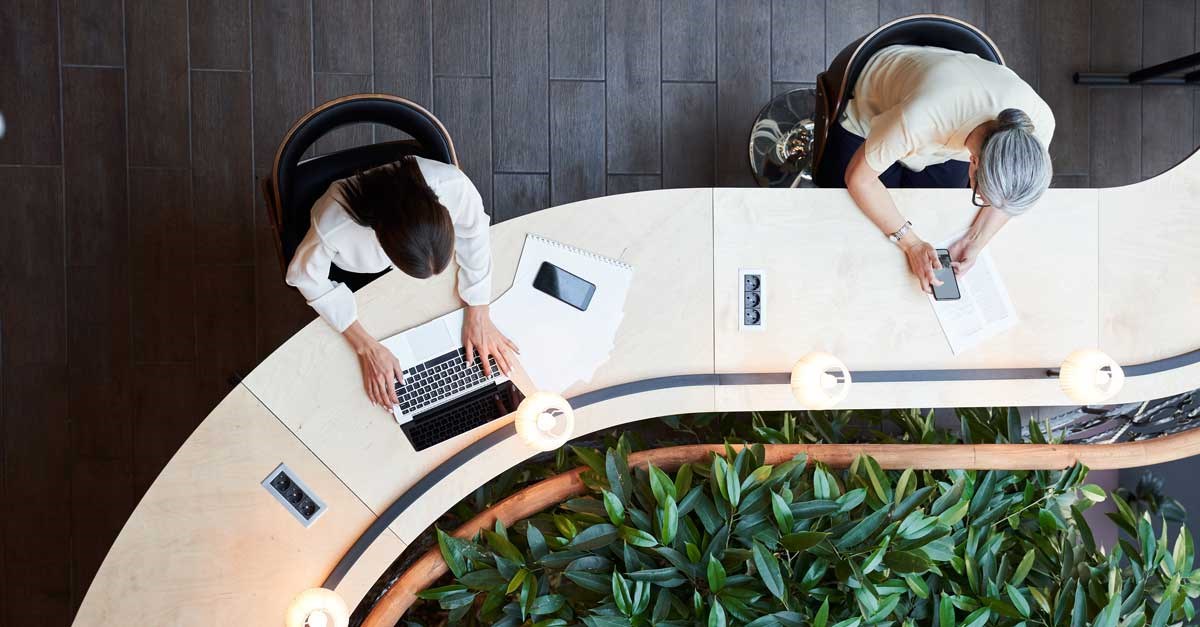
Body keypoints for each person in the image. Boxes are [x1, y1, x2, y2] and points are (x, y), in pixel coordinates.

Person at [816, 44, 1055, 294]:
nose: (987, 203)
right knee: (846, 214)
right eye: (982, 196)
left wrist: (975, 241)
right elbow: (860, 180)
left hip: (943, 139)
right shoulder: (922, 117)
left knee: (932, 213)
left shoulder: (1039, 126)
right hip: (875, 113)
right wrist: (912, 245)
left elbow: (1009, 198)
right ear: (975, 162)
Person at [286, 156, 517, 409]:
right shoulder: (334, 226)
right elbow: (304, 278)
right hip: (354, 276)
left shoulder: (453, 184)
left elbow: (474, 233)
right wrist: (366, 347)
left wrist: (478, 310)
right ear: (381, 240)